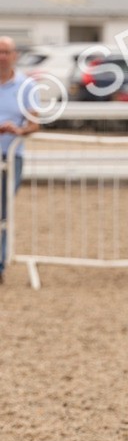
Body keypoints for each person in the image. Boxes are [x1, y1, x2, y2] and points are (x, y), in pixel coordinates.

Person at [0, 37, 39, 283]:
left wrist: (19, 130)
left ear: (15, 55)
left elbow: (35, 123)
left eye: (6, 52)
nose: (2, 56)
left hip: (11, 155)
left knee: (3, 211)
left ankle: (0, 263)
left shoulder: (26, 85)